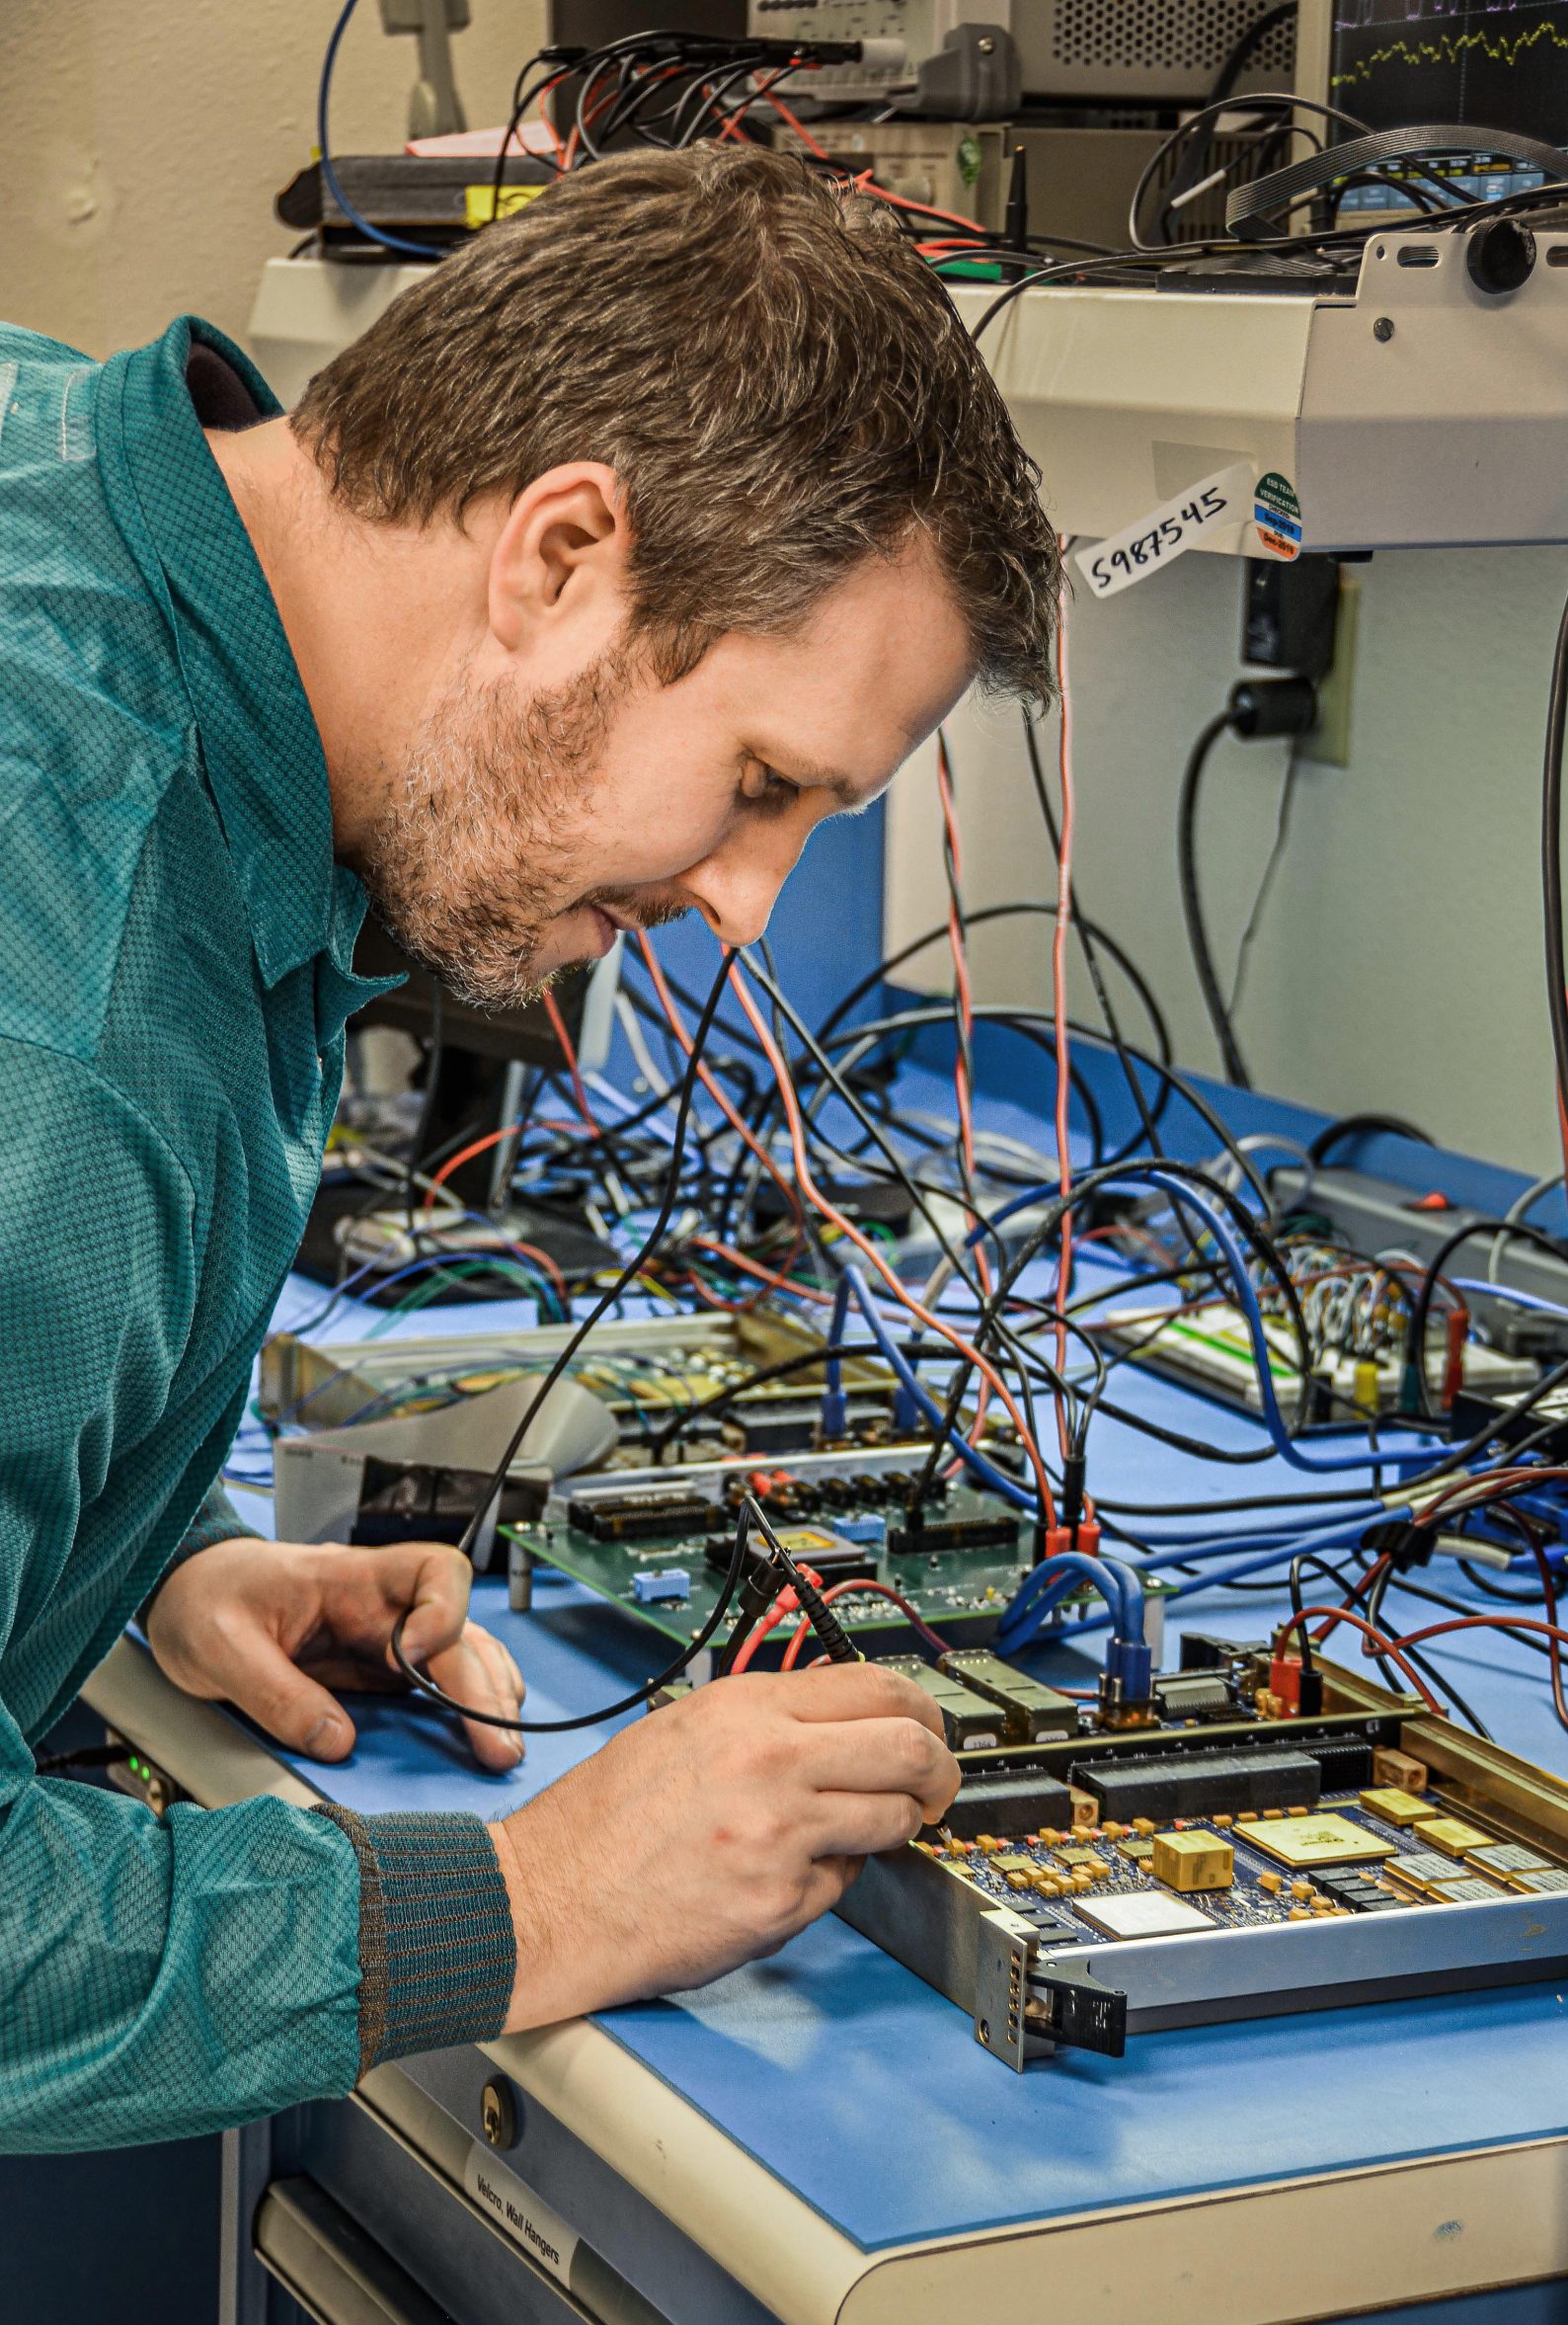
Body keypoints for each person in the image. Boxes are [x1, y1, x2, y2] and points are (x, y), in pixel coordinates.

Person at [0, 143, 1058, 2148]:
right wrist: (534, 1899)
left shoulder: (66, 465)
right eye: (760, 781)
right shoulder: (67, 1023)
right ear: (560, 553)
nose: (746, 902)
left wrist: (148, 1537)